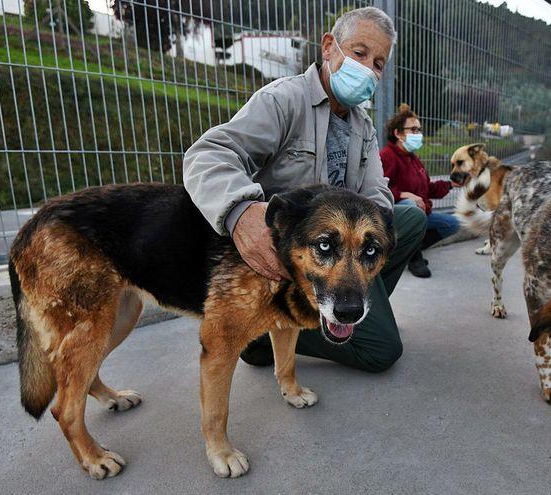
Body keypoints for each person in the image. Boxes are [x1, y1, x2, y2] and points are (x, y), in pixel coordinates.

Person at [182, 7, 427, 373]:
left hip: (336, 253)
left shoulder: (363, 126)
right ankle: (266, 334)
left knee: (408, 219)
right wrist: (239, 212)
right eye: (359, 53)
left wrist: (369, 244)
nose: (368, 68)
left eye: (378, 63)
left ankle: (346, 309)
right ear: (329, 47)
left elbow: (376, 198)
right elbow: (208, 154)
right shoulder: (284, 100)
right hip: (282, 265)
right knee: (383, 351)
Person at [380, 104, 459, 278]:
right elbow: (379, 189)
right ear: (398, 133)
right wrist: (404, 194)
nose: (418, 134)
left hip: (422, 212)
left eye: (419, 130)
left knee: (453, 224)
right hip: (400, 214)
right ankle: (414, 257)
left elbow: (427, 188)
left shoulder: (414, 159)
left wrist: (450, 185)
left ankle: (408, 251)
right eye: (413, 129)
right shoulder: (387, 156)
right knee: (412, 205)